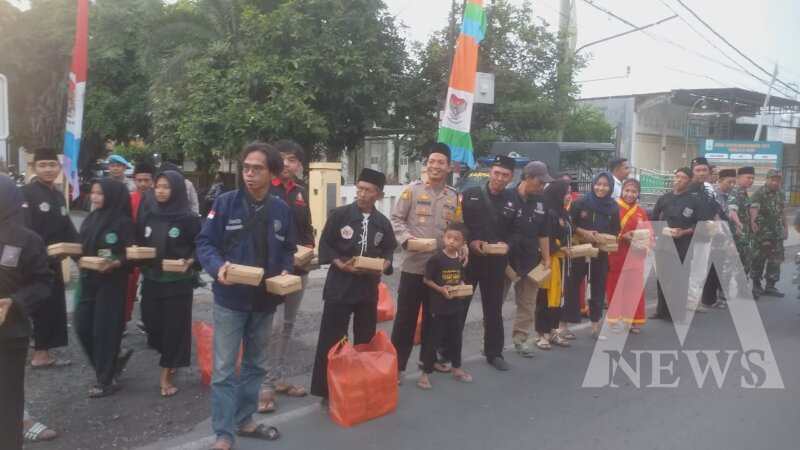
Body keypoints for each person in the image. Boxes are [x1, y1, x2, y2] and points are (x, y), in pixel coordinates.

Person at [196, 142, 294, 450]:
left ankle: (245, 419)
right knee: (225, 369)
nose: (249, 174)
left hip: (265, 300)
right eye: (246, 168)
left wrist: (287, 271)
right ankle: (224, 433)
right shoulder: (225, 203)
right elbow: (205, 243)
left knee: (255, 365)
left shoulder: (282, 209)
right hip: (231, 299)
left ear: (272, 173)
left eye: (257, 169)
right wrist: (217, 267)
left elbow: (290, 249)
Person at [310, 168, 397, 405]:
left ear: (378, 194)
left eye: (368, 190)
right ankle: (326, 391)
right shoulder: (340, 215)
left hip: (368, 289)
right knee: (332, 339)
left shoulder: (382, 223)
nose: (361, 194)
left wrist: (385, 263)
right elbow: (326, 244)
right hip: (340, 286)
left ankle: (361, 386)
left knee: (364, 340)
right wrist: (340, 263)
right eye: (359, 188)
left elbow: (389, 248)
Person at [390, 142, 460, 379]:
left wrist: (461, 247)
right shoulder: (413, 190)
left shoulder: (453, 196)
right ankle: (397, 367)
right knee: (405, 321)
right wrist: (407, 240)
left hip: (439, 270)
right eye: (431, 161)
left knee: (435, 319)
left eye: (441, 162)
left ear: (449, 167)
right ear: (426, 164)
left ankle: (427, 364)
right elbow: (396, 219)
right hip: (414, 267)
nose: (435, 166)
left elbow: (457, 229)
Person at [259, 140, 315, 412]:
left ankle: (278, 378)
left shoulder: (300, 193)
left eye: (292, 159)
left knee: (288, 325)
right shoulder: (264, 190)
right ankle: (264, 386)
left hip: (298, 270)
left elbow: (307, 229)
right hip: (271, 271)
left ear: (299, 165)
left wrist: (310, 250)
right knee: (271, 326)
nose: (287, 164)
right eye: (282, 159)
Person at [0, 174, 54, 450]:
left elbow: (44, 283)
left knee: (7, 402)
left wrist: (15, 302)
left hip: (10, 336)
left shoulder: (27, 240)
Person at [137, 170, 201, 397]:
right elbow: (137, 240)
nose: (161, 191)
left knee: (174, 329)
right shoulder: (148, 214)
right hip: (152, 280)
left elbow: (201, 245)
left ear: (177, 191)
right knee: (152, 325)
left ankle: (166, 375)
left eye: (166, 187)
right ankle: (169, 355)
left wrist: (191, 260)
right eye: (158, 186)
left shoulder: (189, 219)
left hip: (177, 282)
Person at [75, 178, 135, 398]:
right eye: (93, 192)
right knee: (82, 327)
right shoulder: (90, 219)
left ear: (111, 195)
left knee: (105, 331)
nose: (95, 197)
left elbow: (131, 254)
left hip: (111, 284)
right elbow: (80, 248)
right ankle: (111, 363)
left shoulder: (123, 222)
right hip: (89, 280)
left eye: (100, 193)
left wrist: (116, 262)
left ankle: (106, 379)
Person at [20, 148, 78, 368]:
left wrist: (81, 256)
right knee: (40, 307)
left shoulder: (57, 195)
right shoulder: (26, 193)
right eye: (42, 165)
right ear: (34, 168)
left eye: (52, 165)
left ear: (59, 168)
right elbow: (24, 230)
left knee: (53, 306)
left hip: (54, 262)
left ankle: (43, 351)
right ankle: (39, 355)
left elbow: (68, 229)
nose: (48, 169)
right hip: (34, 264)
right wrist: (36, 255)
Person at [461, 155, 519, 371]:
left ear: (511, 177)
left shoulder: (513, 200)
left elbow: (516, 231)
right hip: (470, 259)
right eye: (496, 173)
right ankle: (447, 351)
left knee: (493, 309)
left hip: (496, 263)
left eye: (505, 175)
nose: (500, 178)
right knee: (460, 306)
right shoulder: (471, 195)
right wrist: (470, 241)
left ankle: (494, 353)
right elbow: (460, 224)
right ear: (489, 172)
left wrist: (508, 245)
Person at [562, 172, 620, 340]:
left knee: (598, 287)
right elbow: (569, 224)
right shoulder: (581, 202)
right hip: (579, 250)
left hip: (600, 253)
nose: (600, 188)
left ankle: (595, 326)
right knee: (571, 286)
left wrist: (604, 238)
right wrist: (584, 232)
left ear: (610, 187)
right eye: (598, 184)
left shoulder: (613, 207)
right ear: (593, 184)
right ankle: (563, 325)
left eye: (605, 185)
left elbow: (615, 230)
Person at [418, 222, 472, 389]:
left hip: (455, 307)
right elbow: (426, 279)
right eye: (449, 237)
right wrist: (441, 289)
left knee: (456, 339)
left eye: (456, 239)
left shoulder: (459, 259)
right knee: (433, 340)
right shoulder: (436, 259)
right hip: (438, 308)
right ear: (443, 237)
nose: (451, 242)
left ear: (463, 243)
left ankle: (456, 368)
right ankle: (425, 374)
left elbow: (460, 277)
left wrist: (462, 285)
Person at [506, 161, 552, 357]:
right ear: (528, 178)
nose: (542, 187)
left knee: (527, 303)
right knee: (494, 303)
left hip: (531, 260)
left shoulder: (541, 201)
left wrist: (547, 258)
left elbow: (543, 233)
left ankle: (520, 340)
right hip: (505, 261)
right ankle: (490, 342)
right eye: (540, 182)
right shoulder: (507, 197)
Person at [650, 168, 705, 322]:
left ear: (689, 181)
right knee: (663, 278)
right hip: (664, 243)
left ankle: (677, 313)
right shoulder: (664, 198)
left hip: (684, 243)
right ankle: (661, 311)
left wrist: (685, 231)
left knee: (679, 278)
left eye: (683, 177)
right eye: (677, 176)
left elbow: (700, 225)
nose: (679, 180)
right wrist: (660, 231)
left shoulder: (694, 201)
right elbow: (654, 219)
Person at [606, 179, 652, 333]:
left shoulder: (641, 211)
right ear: (621, 191)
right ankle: (615, 320)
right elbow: (606, 230)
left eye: (634, 192)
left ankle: (633, 320)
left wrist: (647, 241)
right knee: (615, 286)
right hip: (616, 253)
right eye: (627, 190)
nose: (630, 194)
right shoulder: (612, 208)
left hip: (635, 255)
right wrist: (622, 236)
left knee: (634, 287)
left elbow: (648, 231)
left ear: (638, 194)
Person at [534, 180, 572, 349]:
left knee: (558, 298)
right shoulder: (548, 212)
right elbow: (544, 236)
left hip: (560, 260)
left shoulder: (562, 211)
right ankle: (541, 334)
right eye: (566, 192)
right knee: (543, 298)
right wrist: (560, 247)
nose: (568, 196)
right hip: (547, 260)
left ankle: (553, 330)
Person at [701, 168, 737, 309]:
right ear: (720, 181)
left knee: (718, 267)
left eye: (734, 182)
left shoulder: (728, 196)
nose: (732, 185)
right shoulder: (714, 196)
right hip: (714, 236)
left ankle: (712, 298)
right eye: (729, 182)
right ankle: (708, 300)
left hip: (722, 235)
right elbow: (715, 217)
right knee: (712, 268)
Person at [749, 169, 787, 299]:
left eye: (778, 180)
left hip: (777, 233)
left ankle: (770, 286)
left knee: (775, 260)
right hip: (762, 234)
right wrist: (755, 228)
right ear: (767, 179)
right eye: (773, 179)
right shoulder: (759, 194)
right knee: (759, 259)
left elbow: (782, 212)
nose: (776, 182)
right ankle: (756, 284)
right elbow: (753, 212)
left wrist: (786, 228)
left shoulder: (781, 194)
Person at [128, 161, 156, 330]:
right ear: (134, 180)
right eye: (139, 180)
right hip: (132, 249)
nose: (143, 184)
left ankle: (148, 320)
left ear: (152, 180)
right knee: (130, 286)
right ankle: (124, 319)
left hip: (152, 250)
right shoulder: (129, 199)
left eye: (146, 180)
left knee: (149, 288)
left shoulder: (158, 198)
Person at [729, 166, 755, 279]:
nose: (751, 180)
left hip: (744, 234)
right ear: (738, 178)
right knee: (734, 261)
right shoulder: (735, 192)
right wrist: (739, 224)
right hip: (737, 235)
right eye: (748, 177)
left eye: (752, 178)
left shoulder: (744, 193)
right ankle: (725, 290)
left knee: (745, 261)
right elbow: (732, 211)